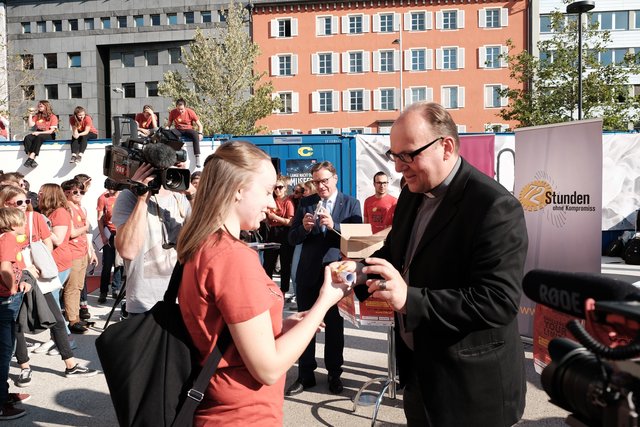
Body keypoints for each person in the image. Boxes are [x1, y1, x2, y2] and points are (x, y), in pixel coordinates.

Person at [352, 102, 528, 426]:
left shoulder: (494, 206)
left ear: (445, 146)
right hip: (420, 375)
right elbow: (397, 253)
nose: (398, 167)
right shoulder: (411, 193)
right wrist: (359, 272)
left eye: (408, 155)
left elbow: (497, 302)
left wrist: (410, 300)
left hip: (471, 389)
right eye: (394, 155)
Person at [176, 140, 351, 425]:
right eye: (267, 191)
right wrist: (325, 301)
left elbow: (228, 330)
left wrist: (282, 326)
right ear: (237, 190)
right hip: (242, 413)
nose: (272, 203)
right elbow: (268, 368)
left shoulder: (204, 244)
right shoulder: (232, 257)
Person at [0, 186, 96, 385]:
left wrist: (35, 265)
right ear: (6, 203)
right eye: (19, 202)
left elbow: (48, 244)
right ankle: (24, 367)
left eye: (26, 201)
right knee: (16, 324)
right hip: (17, 278)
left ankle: (70, 365)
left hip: (37, 276)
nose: (25, 205)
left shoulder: (34, 217)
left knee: (56, 318)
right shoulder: (3, 222)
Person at [286, 161, 362, 396]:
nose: (321, 186)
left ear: (335, 178)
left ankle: (334, 374)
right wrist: (304, 229)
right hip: (308, 274)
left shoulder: (350, 203)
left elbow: (356, 241)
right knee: (306, 324)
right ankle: (305, 374)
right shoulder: (306, 202)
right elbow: (291, 238)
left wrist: (335, 226)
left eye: (325, 181)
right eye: (317, 182)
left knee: (334, 327)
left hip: (335, 276)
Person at [113, 163, 191, 315]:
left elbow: (199, 243)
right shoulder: (129, 196)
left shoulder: (181, 198)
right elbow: (128, 251)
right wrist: (142, 197)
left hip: (181, 300)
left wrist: (191, 193)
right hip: (144, 303)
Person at [0, 207, 31, 420]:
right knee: (3, 353)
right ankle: (1, 404)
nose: (25, 224)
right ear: (12, 223)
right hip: (5, 299)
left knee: (5, 349)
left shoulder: (8, 237)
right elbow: (4, 268)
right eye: (22, 221)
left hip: (6, 298)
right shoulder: (9, 237)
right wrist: (11, 288)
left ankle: (4, 393)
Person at [61, 179, 97, 333]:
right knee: (72, 288)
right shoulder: (67, 209)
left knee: (79, 286)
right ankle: (72, 320)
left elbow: (83, 233)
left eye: (81, 191)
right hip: (73, 252)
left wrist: (91, 251)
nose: (79, 194)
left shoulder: (79, 207)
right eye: (75, 191)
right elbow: (72, 233)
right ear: (66, 193)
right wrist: (85, 227)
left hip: (81, 251)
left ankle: (76, 316)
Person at [262, 175, 295, 295]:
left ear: (285, 188)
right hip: (272, 232)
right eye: (275, 187)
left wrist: (274, 217)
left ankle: (284, 290)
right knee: (268, 262)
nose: (277, 190)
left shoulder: (288, 202)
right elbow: (266, 219)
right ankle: (267, 288)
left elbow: (290, 222)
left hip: (284, 233)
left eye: (280, 187)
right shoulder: (271, 200)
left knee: (285, 263)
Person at [96, 181, 122, 302]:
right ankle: (103, 291)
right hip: (109, 233)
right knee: (107, 264)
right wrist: (102, 235)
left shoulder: (123, 196)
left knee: (119, 263)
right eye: (108, 188)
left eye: (113, 188)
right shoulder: (103, 198)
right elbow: (100, 218)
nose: (110, 191)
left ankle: (116, 288)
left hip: (121, 233)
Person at [167, 98, 204, 168]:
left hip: (188, 129)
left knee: (195, 135)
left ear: (185, 107)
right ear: (176, 107)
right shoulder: (173, 112)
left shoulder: (190, 112)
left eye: (182, 109)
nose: (180, 111)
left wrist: (200, 133)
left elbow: (200, 125)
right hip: (178, 129)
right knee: (171, 134)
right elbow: (168, 125)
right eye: (178, 109)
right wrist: (166, 130)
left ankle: (197, 156)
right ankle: (177, 156)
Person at [22, 100, 58, 169]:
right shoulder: (37, 116)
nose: (39, 107)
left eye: (41, 106)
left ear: (46, 107)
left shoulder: (53, 117)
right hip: (38, 132)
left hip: (48, 134)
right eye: (38, 106)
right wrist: (30, 114)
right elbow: (30, 125)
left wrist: (39, 133)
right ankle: (31, 159)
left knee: (39, 137)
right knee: (27, 137)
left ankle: (31, 156)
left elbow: (51, 131)